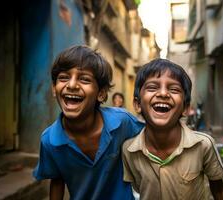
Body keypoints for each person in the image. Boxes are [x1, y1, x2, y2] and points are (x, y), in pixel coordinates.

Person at [33, 45, 144, 200]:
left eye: (84, 79)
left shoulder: (121, 122)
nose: (71, 85)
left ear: (101, 93)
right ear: (53, 88)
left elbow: (152, 138)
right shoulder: (50, 140)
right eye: (64, 77)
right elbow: (57, 181)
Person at [122, 58, 223, 200]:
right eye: (152, 87)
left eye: (174, 89)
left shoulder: (203, 145)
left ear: (185, 108)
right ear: (137, 104)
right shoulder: (129, 150)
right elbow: (138, 188)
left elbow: (219, 191)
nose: (163, 94)